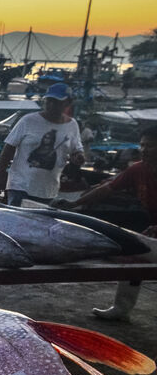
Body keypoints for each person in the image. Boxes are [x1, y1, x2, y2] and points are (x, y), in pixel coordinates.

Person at [59, 124, 157, 321]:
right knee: (135, 255)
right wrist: (75, 203)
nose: (144, 150)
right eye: (142, 145)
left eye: (151, 146)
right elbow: (107, 189)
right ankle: (122, 308)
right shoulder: (137, 169)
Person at [0, 83, 83, 206]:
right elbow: (9, 148)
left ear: (67, 103)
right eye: (49, 101)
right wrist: (1, 175)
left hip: (48, 191)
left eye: (56, 102)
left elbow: (77, 150)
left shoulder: (72, 125)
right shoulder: (28, 121)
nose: (51, 105)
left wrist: (78, 157)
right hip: (20, 186)